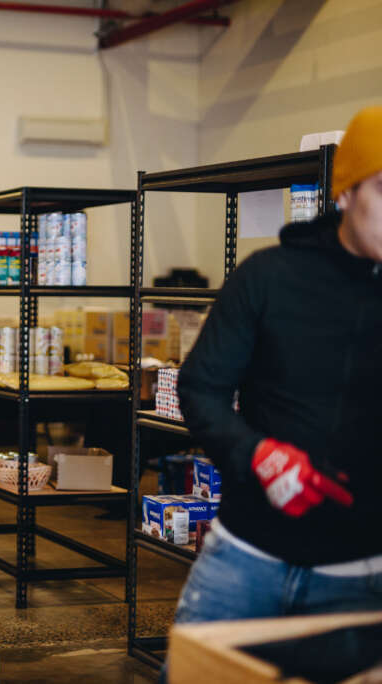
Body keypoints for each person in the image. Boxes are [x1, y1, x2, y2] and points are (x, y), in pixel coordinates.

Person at [171, 106, 382, 665]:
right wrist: (257, 453)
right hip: (246, 556)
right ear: (347, 191)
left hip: (361, 577)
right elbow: (200, 386)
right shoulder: (268, 277)